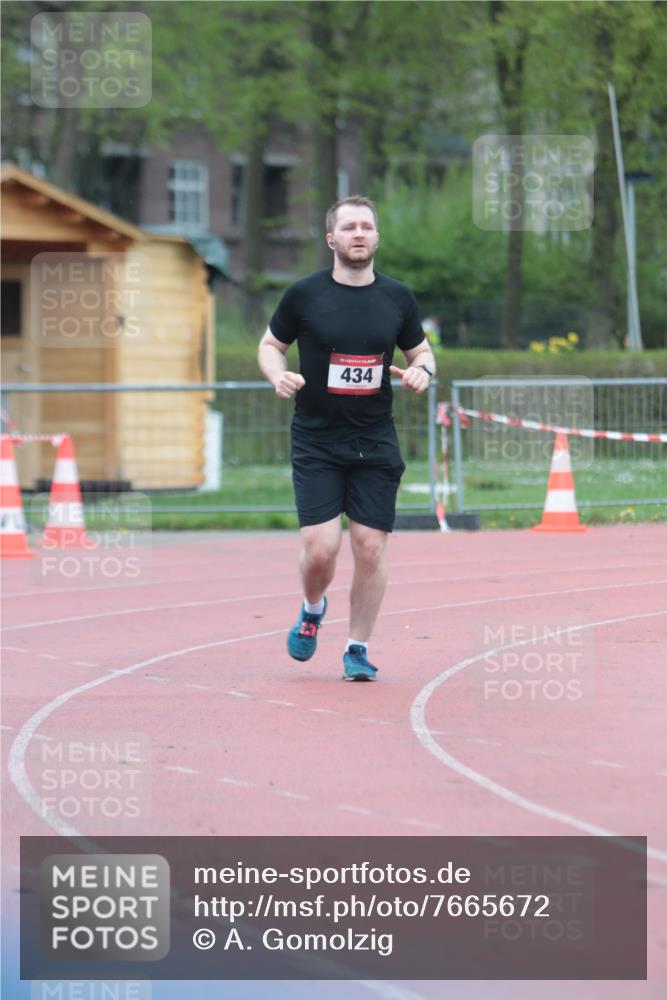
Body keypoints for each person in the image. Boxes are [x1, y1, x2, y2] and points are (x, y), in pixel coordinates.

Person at [257, 195, 436, 682]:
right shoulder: (303, 294)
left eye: (367, 227)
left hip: (375, 440)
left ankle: (357, 647)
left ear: (377, 237)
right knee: (321, 549)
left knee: (370, 547)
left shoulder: (397, 297)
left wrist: (423, 372)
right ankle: (313, 609)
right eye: (350, 227)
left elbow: (423, 353)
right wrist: (277, 374)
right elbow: (271, 345)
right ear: (331, 238)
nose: (360, 234)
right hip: (317, 440)